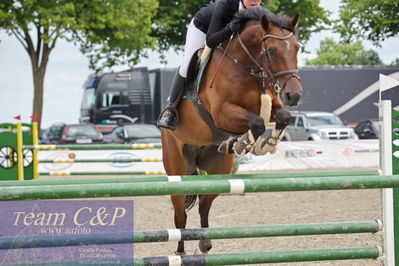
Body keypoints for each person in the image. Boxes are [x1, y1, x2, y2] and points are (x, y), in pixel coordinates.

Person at [157, 0, 263, 130]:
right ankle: (170, 109)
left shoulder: (261, 11)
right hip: (202, 29)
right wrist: (231, 27)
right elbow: (211, 40)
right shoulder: (225, 5)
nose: (255, 1)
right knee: (187, 64)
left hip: (227, 36)